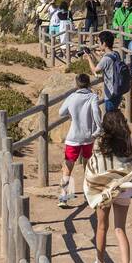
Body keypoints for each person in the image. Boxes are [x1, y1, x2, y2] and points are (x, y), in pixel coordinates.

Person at [84, 109, 132, 263]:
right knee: (120, 229)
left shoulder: (100, 141)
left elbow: (95, 163)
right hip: (124, 187)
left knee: (102, 226)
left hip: (103, 188)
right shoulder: (127, 140)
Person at [57, 73, 101, 207]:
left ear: (77, 83)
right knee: (87, 165)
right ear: (89, 83)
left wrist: (71, 113)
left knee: (68, 166)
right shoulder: (92, 97)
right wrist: (99, 128)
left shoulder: (72, 97)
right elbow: (96, 112)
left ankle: (64, 196)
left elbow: (61, 112)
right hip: (88, 136)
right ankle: (88, 195)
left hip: (73, 137)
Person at [95, 30, 128, 111]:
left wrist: (88, 58)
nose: (98, 44)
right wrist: (93, 54)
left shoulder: (106, 59)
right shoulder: (116, 53)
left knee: (110, 118)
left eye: (99, 42)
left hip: (110, 93)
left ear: (104, 43)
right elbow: (103, 64)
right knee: (115, 114)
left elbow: (95, 70)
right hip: (118, 89)